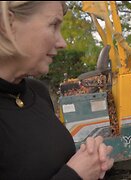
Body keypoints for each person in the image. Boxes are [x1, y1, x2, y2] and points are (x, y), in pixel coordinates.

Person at [0, 1, 114, 179]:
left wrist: (90, 162)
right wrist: (75, 175)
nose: (63, 43)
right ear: (7, 24)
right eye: (53, 25)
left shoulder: (37, 92)